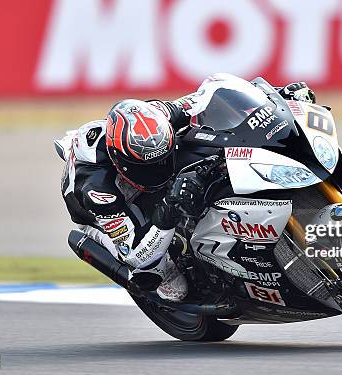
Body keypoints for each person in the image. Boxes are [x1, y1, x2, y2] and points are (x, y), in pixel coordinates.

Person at [55, 74, 316, 302]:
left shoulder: (162, 115)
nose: (158, 171)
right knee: (165, 282)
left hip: (147, 152)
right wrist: (169, 207)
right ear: (120, 161)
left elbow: (212, 94)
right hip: (107, 213)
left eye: (161, 160)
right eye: (148, 167)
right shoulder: (97, 190)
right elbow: (137, 254)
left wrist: (279, 96)